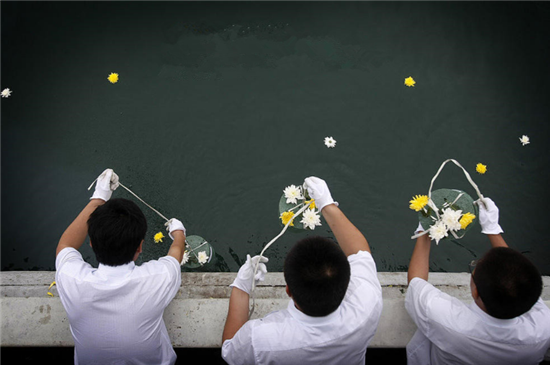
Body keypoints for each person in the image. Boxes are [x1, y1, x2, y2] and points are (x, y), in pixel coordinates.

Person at [221, 176, 383, 365]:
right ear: (347, 282)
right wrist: (327, 204)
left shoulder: (262, 339)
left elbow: (230, 350)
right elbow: (360, 252)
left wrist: (241, 286)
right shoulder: (367, 305)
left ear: (288, 290)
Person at [55, 168, 187, 365]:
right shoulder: (158, 278)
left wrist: (98, 198)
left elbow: (65, 246)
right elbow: (175, 256)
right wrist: (179, 233)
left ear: (91, 243)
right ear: (140, 246)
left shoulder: (72, 279)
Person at [406, 197, 550, 365]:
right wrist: (493, 231)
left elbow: (416, 282)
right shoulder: (541, 329)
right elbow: (514, 270)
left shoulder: (445, 318)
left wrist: (424, 232)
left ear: (475, 292)